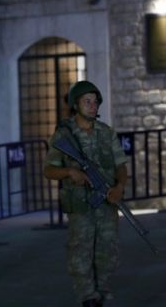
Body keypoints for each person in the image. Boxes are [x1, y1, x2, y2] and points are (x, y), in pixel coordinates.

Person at [44, 81, 128, 307]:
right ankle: (87, 297)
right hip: (81, 206)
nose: (92, 106)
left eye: (95, 102)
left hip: (107, 203)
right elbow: (49, 170)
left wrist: (120, 186)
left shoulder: (106, 132)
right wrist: (70, 171)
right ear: (75, 105)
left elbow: (121, 164)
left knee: (107, 253)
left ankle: (101, 292)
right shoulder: (64, 135)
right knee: (81, 253)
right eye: (87, 102)